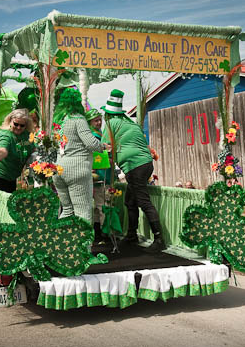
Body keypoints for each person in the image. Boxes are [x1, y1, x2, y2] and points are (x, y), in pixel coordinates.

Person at [101, 89, 165, 253]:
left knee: (143, 201)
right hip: (145, 164)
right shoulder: (130, 122)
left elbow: (104, 148)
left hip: (134, 166)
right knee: (131, 201)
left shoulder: (110, 124)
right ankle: (131, 236)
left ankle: (159, 239)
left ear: (108, 113)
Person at [52, 89, 108, 225]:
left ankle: (63, 243)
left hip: (59, 169)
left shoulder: (59, 121)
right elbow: (90, 143)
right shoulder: (78, 118)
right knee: (83, 213)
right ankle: (84, 246)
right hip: (77, 170)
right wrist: (103, 146)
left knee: (67, 210)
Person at [0, 109, 35, 193]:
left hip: (12, 177)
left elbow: (32, 148)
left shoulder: (26, 135)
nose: (18, 127)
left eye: (22, 125)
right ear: (10, 121)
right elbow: (3, 150)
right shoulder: (5, 135)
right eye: (16, 124)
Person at [86, 108, 109, 243]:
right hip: (97, 175)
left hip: (101, 174)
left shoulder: (99, 134)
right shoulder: (93, 137)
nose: (99, 122)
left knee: (98, 207)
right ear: (90, 122)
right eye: (96, 120)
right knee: (102, 206)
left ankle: (99, 233)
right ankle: (104, 233)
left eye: (100, 120)